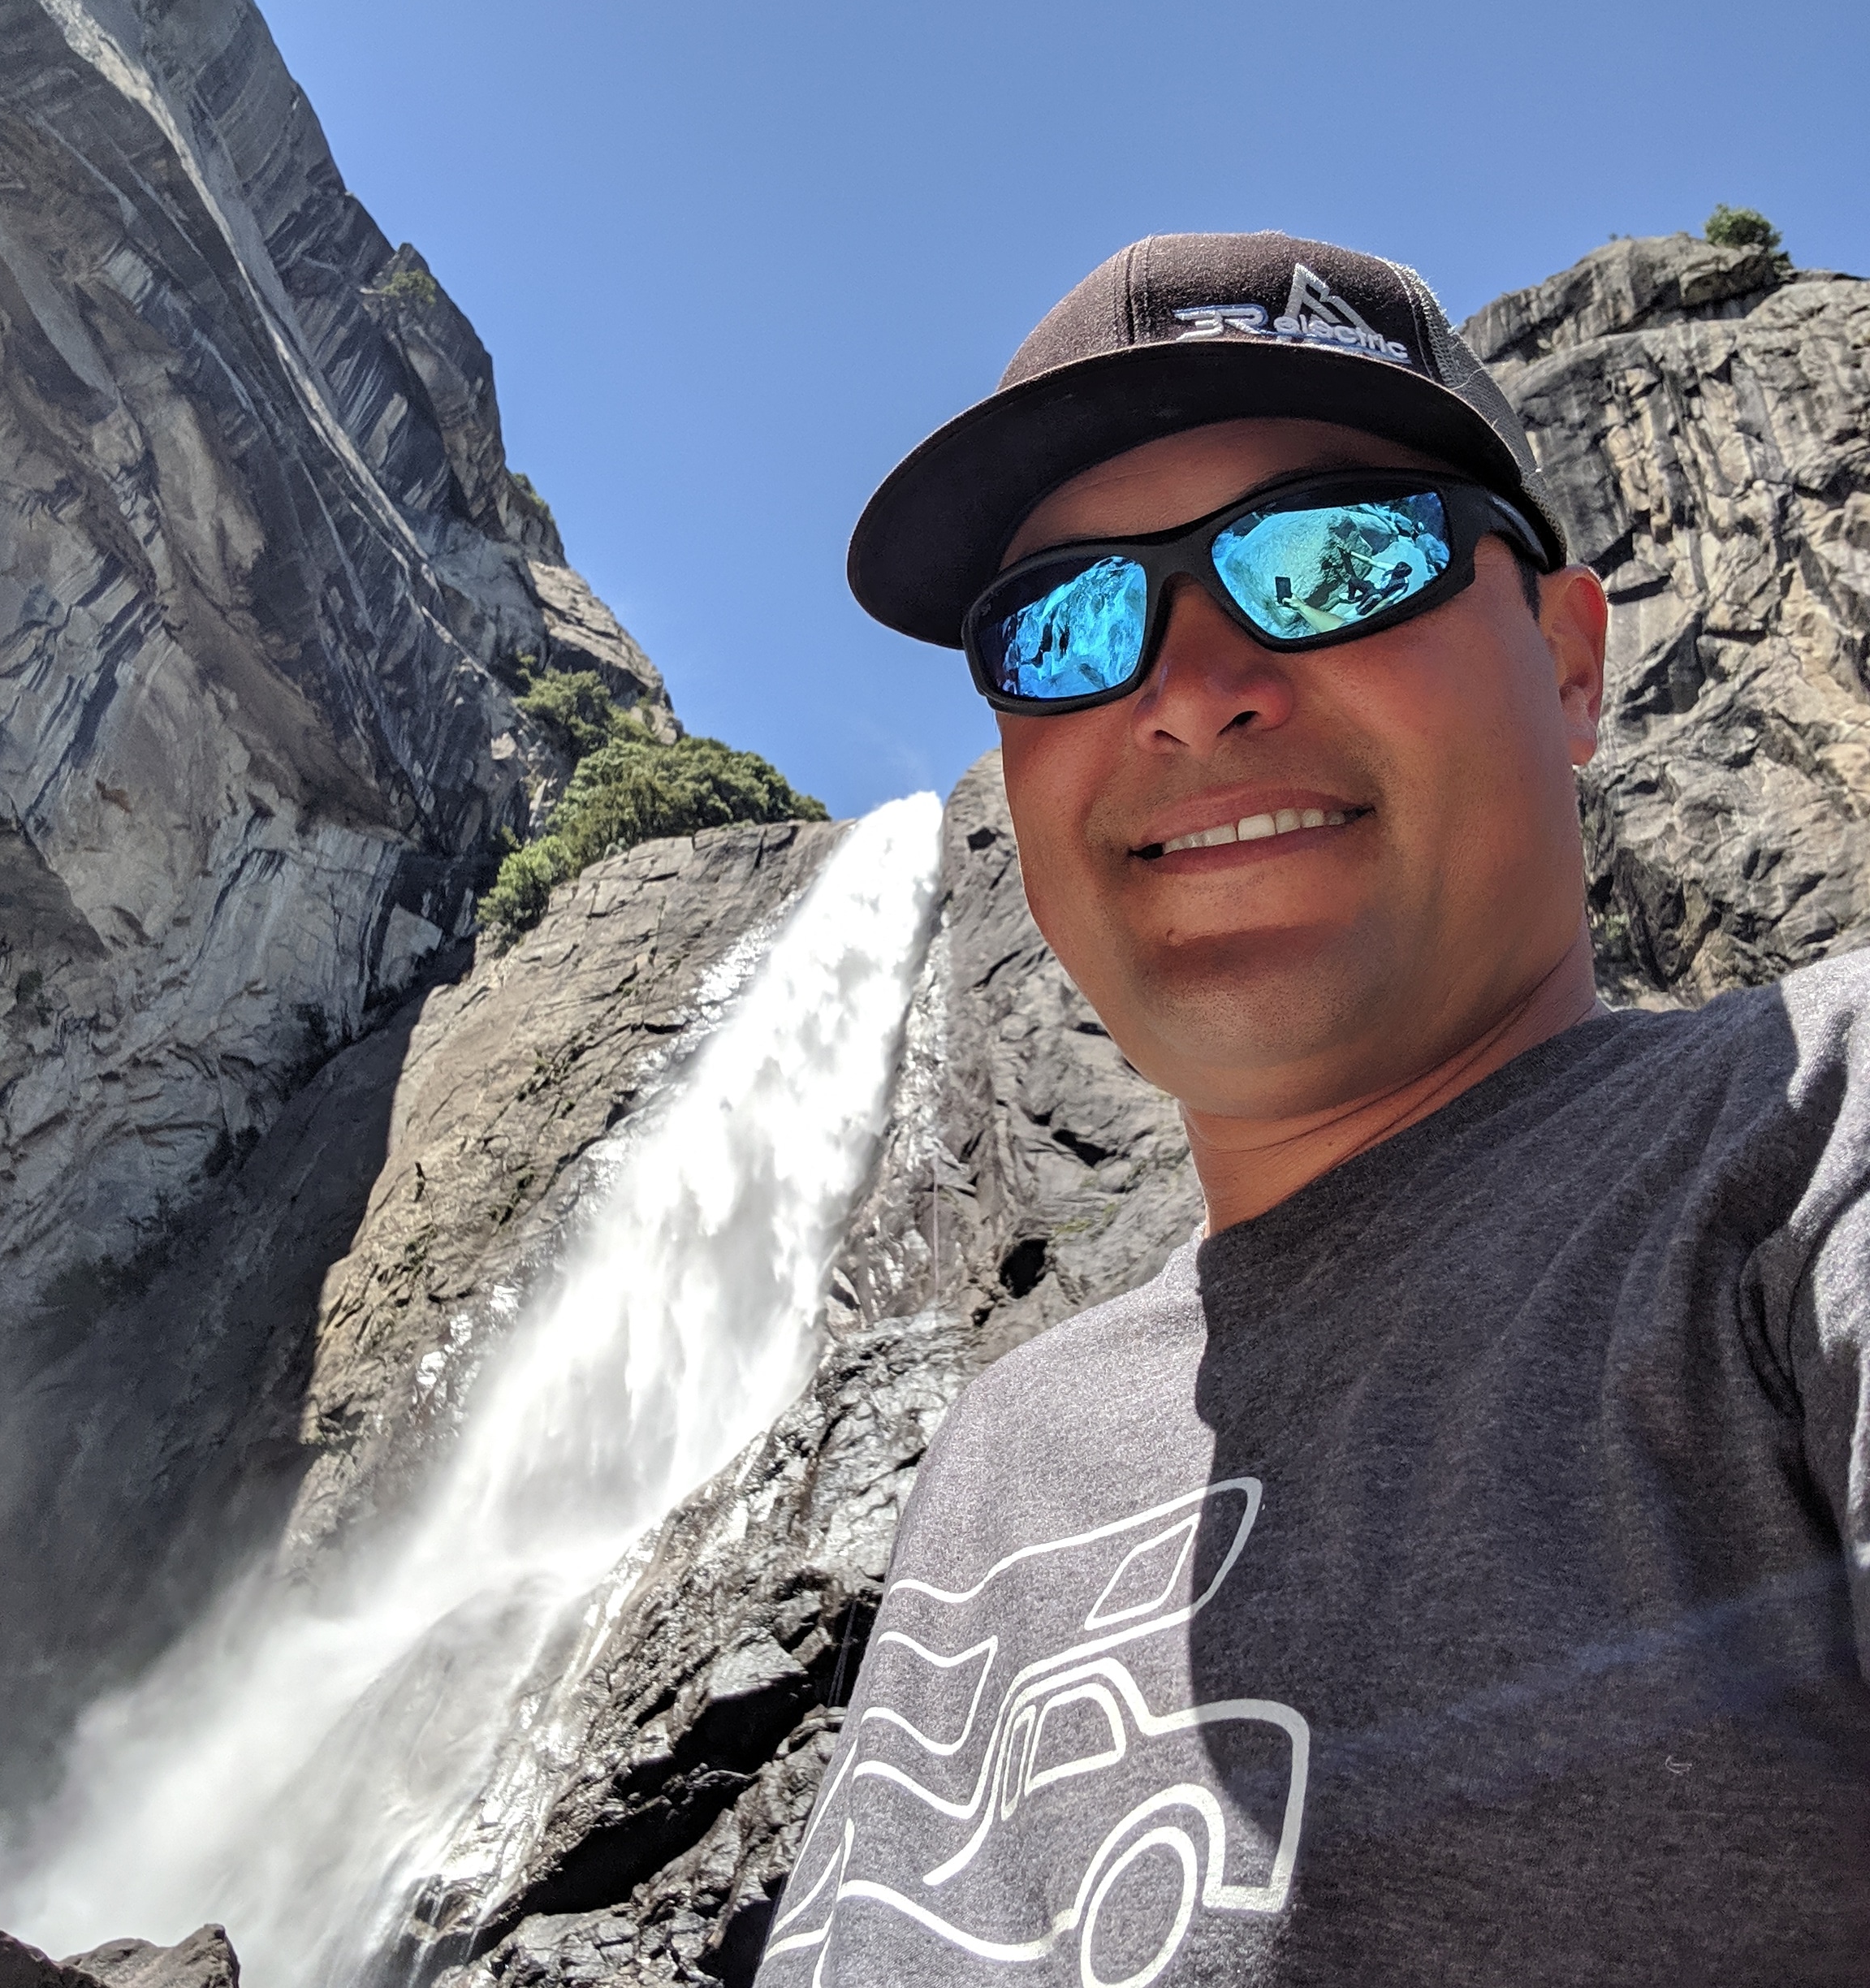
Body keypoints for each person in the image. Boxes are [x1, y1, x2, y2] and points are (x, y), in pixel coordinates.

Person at [754, 233, 1869, 1986]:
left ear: (1571, 662)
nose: (1193, 693)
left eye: (1334, 555)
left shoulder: (1814, 1131)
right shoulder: (1000, 1455)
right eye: (1065, 622)